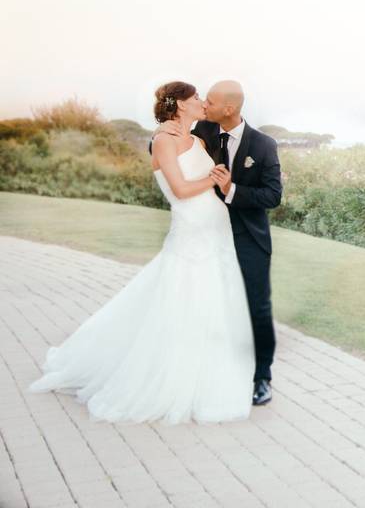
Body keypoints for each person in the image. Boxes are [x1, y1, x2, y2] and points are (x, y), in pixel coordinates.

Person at [29, 81, 256, 424]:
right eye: (196, 98)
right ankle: (170, 376)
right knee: (183, 297)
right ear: (180, 105)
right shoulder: (163, 140)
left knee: (213, 300)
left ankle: (210, 369)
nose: (201, 102)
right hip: (191, 232)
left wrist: (222, 178)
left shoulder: (197, 139)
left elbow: (229, 129)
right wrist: (213, 179)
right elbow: (180, 190)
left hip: (216, 231)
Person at [153, 79, 282, 405]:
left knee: (255, 306)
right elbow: (167, 152)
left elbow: (273, 195)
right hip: (206, 233)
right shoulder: (201, 131)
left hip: (247, 236)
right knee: (212, 303)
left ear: (230, 108)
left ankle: (261, 377)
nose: (204, 105)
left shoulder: (264, 145)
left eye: (209, 101)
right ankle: (215, 370)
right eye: (201, 99)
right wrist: (165, 136)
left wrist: (231, 190)